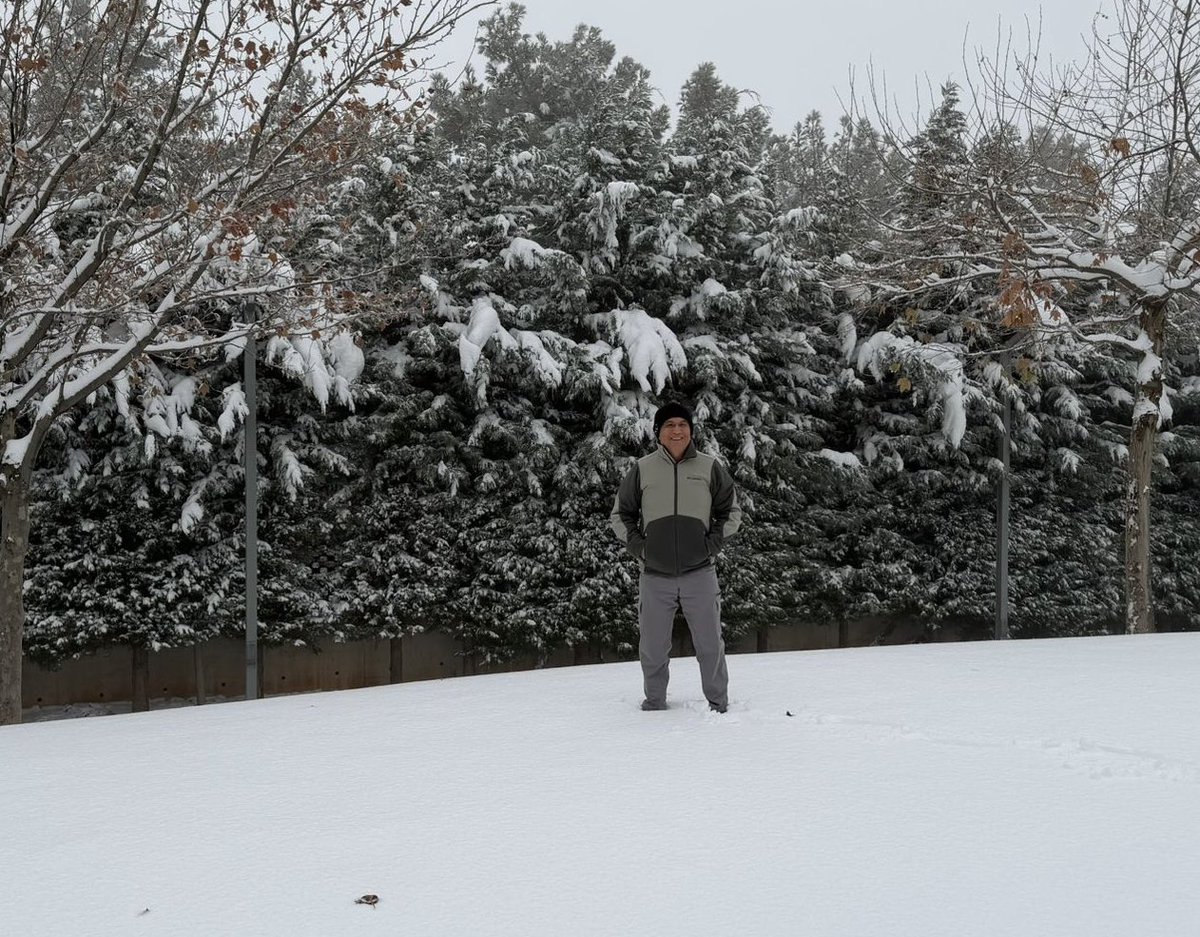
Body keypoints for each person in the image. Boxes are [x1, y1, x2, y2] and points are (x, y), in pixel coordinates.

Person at [609, 401, 742, 713]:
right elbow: (621, 515)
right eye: (669, 425)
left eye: (682, 424)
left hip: (700, 573)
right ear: (659, 432)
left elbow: (730, 512)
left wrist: (712, 544)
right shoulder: (641, 469)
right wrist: (640, 548)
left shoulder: (710, 467)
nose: (677, 430)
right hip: (654, 575)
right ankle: (654, 703)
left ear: (691, 430)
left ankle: (718, 703)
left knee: (710, 644)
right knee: (653, 648)